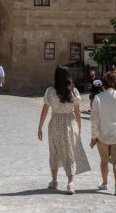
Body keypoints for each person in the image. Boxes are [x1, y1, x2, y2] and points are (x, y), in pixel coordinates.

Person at [37, 66, 91, 194]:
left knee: (54, 152)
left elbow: (45, 110)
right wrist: (79, 127)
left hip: (55, 123)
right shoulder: (73, 91)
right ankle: (70, 183)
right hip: (70, 124)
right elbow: (77, 112)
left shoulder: (50, 91)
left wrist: (40, 127)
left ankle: (54, 181)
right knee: (70, 152)